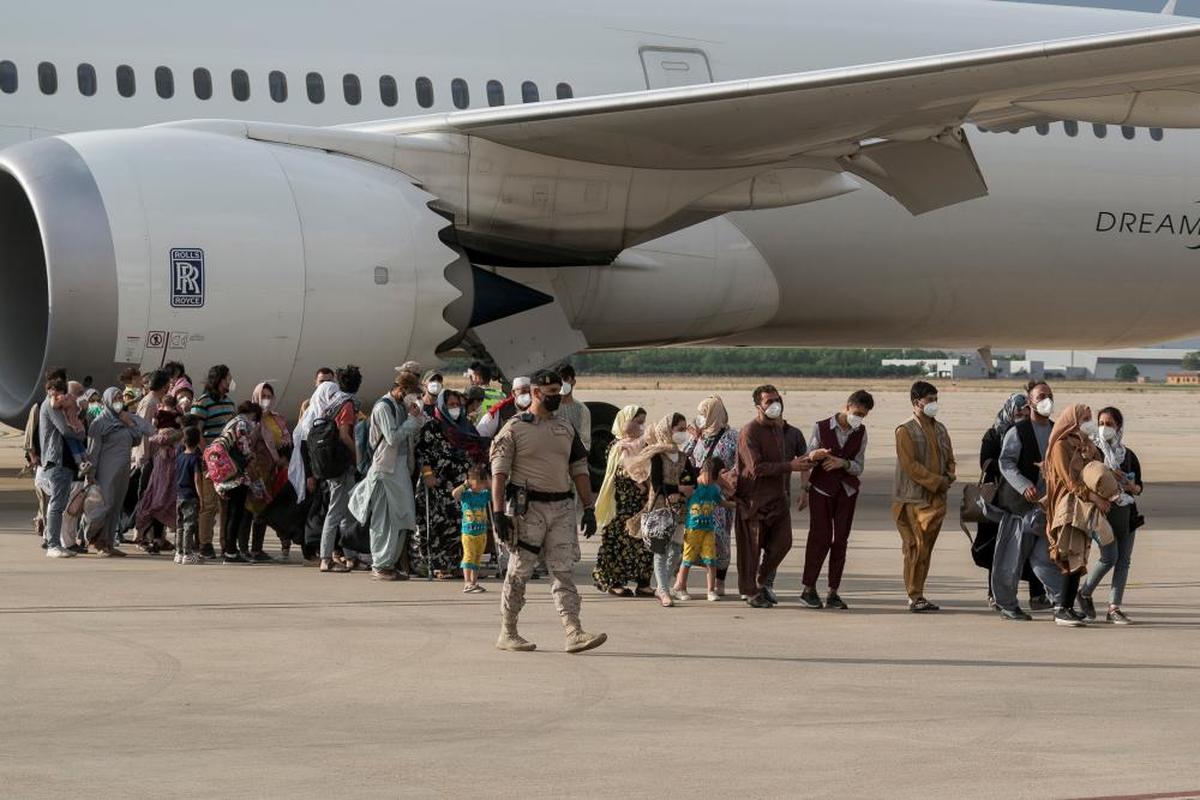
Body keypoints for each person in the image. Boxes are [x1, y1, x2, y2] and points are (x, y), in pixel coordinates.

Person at [490, 369, 605, 653]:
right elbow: (499, 473)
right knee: (520, 571)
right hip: (528, 509)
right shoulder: (514, 428)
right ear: (537, 393)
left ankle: (573, 631)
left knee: (563, 570)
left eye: (560, 391)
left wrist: (588, 507)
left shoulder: (566, 429)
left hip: (562, 508)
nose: (558, 397)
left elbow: (579, 468)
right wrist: (497, 513)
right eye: (552, 393)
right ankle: (508, 630)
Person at [993, 380, 1065, 621]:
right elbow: (1006, 462)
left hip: (1047, 508)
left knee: (1045, 558)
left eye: (1050, 395)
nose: (1047, 400)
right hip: (1020, 508)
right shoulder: (1019, 431)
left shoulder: (1057, 432)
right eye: (1041, 395)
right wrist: (1024, 486)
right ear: (1030, 401)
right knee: (1012, 560)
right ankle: (1007, 604)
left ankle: (1061, 603)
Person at [734, 385, 809, 608]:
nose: (775, 404)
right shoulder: (749, 431)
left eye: (777, 400)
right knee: (751, 550)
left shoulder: (781, 430)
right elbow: (756, 468)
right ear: (758, 406)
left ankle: (761, 578)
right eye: (769, 401)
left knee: (783, 543)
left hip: (778, 499)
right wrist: (790, 466)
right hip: (754, 501)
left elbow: (797, 459)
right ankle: (751, 593)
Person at [801, 389, 873, 610]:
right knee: (820, 538)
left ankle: (833, 590)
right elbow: (808, 458)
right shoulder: (821, 427)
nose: (859, 418)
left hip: (846, 491)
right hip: (822, 489)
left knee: (840, 540)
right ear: (847, 406)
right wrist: (816, 457)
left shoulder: (861, 433)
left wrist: (843, 464)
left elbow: (859, 466)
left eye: (863, 415)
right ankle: (809, 588)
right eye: (857, 412)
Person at [977, 393, 1048, 610]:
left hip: (1032, 497)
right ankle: (996, 594)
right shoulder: (994, 434)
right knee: (1001, 550)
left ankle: (1038, 595)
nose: (1021, 414)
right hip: (1002, 501)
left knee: (1035, 545)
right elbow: (986, 464)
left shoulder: (1034, 433)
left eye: (1025, 411)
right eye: (1017, 411)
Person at [349, 376, 425, 581]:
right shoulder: (384, 407)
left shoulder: (400, 406)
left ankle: (389, 563)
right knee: (383, 519)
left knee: (402, 516)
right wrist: (411, 421)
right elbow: (391, 437)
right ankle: (381, 564)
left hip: (399, 469)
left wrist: (415, 419)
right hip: (385, 470)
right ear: (401, 389)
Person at [1043, 404, 1110, 628]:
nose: (1090, 422)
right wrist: (1094, 497)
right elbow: (1069, 482)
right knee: (1069, 554)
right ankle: (1062, 609)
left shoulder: (1087, 445)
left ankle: (1069, 607)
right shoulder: (1060, 446)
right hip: (1069, 508)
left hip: (1084, 508)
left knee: (1079, 557)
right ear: (1073, 420)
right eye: (1085, 418)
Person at [892, 381, 956, 613]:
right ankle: (914, 595)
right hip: (912, 499)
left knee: (926, 550)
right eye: (930, 400)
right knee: (914, 547)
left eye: (935, 399)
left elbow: (949, 456)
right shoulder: (905, 430)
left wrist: (949, 475)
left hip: (936, 500)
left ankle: (919, 593)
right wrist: (937, 481)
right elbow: (910, 466)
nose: (934, 404)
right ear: (916, 402)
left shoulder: (941, 429)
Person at [1078, 407, 1144, 624]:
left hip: (1127, 514)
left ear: (1119, 427)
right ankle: (1084, 592)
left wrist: (1130, 485)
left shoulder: (1129, 455)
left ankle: (1114, 607)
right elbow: (1086, 479)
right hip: (1102, 514)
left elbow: (1139, 488)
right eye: (1101, 423)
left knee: (1123, 561)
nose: (1105, 427)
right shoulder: (1092, 452)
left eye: (1110, 423)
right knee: (1109, 557)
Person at [413, 388, 488, 578]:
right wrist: (428, 474)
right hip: (437, 484)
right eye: (450, 405)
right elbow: (422, 452)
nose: (455, 408)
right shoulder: (432, 427)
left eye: (457, 405)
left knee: (460, 524)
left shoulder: (466, 426)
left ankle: (460, 564)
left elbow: (477, 449)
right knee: (438, 525)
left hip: (462, 484)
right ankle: (438, 565)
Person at [626, 413, 691, 607]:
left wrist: (681, 491)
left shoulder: (683, 456)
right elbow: (657, 483)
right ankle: (662, 590)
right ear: (668, 431)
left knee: (676, 550)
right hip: (661, 508)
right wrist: (678, 489)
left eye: (684, 429)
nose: (683, 433)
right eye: (679, 429)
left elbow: (691, 480)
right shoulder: (657, 456)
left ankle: (665, 585)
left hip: (679, 508)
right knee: (661, 550)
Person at [83, 388, 154, 556]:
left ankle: (108, 542)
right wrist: (91, 473)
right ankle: (94, 539)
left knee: (116, 505)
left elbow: (136, 439)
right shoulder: (99, 423)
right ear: (107, 400)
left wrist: (129, 422)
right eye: (115, 398)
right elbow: (93, 450)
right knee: (104, 506)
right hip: (105, 470)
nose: (119, 400)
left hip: (122, 470)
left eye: (121, 397)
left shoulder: (125, 419)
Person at [592, 405, 654, 596]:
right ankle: (615, 582)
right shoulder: (616, 446)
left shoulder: (645, 445)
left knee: (644, 543)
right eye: (637, 422)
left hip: (641, 504)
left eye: (643, 422)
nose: (641, 426)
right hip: (620, 503)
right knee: (618, 543)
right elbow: (617, 474)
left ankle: (643, 583)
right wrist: (638, 481)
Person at [684, 396, 738, 596]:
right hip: (700, 496)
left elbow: (739, 464)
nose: (700, 417)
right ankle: (695, 581)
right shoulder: (699, 436)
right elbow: (685, 457)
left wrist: (728, 481)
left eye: (704, 413)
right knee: (697, 535)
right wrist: (695, 438)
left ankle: (718, 581)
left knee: (720, 538)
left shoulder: (732, 436)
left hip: (719, 495)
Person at [317, 366, 362, 573]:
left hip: (331, 462)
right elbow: (345, 435)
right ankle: (325, 558)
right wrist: (358, 455)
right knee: (335, 512)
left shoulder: (332, 401)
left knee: (348, 511)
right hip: (341, 465)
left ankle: (351, 556)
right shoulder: (347, 405)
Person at [191, 365, 237, 558]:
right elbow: (196, 431)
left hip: (227, 462)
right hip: (210, 460)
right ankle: (205, 543)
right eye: (228, 378)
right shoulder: (203, 402)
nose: (230, 382)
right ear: (219, 380)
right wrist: (206, 455)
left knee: (225, 504)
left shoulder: (229, 403)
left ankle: (225, 543)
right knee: (208, 504)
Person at [38, 375, 86, 558]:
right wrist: (78, 431)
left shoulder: (61, 408)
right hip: (56, 460)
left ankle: (56, 543)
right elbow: (65, 430)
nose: (60, 396)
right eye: (59, 392)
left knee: (60, 503)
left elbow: (73, 433)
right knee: (57, 504)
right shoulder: (50, 407)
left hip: (64, 461)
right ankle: (52, 544)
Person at [245, 382, 292, 562]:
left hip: (275, 470)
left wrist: (283, 455)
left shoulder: (277, 419)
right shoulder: (251, 419)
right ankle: (246, 548)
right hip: (256, 470)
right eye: (263, 396)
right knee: (252, 511)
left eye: (269, 396)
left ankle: (260, 547)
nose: (266, 400)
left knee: (267, 511)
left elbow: (286, 438)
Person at [675, 456, 730, 603]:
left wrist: (737, 505)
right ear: (703, 471)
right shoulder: (692, 486)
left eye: (714, 479)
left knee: (711, 561)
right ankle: (681, 587)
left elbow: (722, 502)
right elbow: (679, 495)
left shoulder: (713, 488)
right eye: (710, 477)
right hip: (692, 529)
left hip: (708, 530)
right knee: (687, 560)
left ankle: (711, 590)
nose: (710, 481)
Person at [216, 401, 264, 564]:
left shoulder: (232, 422)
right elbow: (243, 447)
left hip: (228, 472)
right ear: (252, 414)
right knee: (236, 513)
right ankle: (231, 552)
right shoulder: (242, 424)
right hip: (237, 475)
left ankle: (230, 549)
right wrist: (251, 457)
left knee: (230, 512)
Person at [132, 403, 183, 554]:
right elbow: (161, 439)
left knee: (159, 506)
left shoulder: (170, 447)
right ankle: (151, 539)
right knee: (157, 505)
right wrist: (180, 432)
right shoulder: (165, 440)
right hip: (162, 479)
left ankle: (157, 539)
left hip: (168, 479)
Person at [453, 464, 492, 593]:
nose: (481, 485)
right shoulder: (466, 494)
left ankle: (474, 582)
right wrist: (465, 485)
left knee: (477, 558)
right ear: (471, 481)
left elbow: (495, 490)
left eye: (483, 482)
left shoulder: (484, 494)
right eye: (478, 482)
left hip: (481, 532)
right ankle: (467, 582)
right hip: (468, 533)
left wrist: (488, 481)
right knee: (469, 556)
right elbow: (455, 494)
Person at [175, 426, 204, 564]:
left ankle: (179, 552)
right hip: (190, 495)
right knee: (189, 525)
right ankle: (188, 553)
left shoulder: (180, 457)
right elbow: (197, 479)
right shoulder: (196, 459)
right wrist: (201, 497)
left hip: (179, 494)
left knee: (180, 525)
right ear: (198, 441)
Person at [555, 364, 592, 450]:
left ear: (573, 381)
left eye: (565, 379)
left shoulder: (582, 409)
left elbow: (585, 440)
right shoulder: (549, 407)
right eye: (560, 380)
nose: (563, 383)